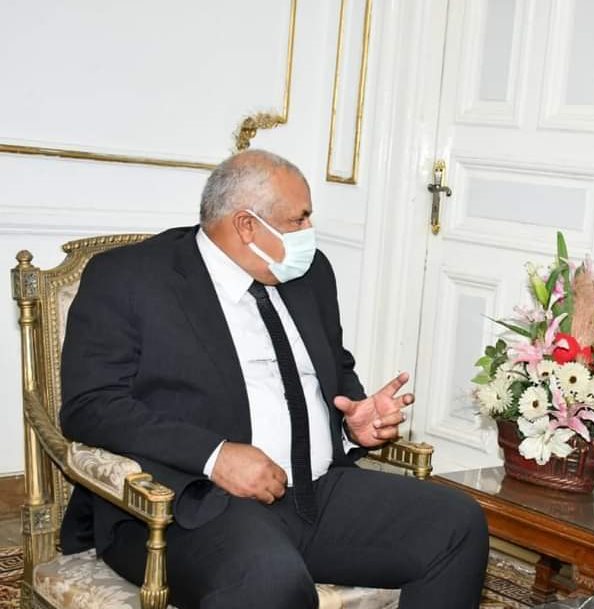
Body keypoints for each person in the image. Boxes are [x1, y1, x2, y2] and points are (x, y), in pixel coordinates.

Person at [59, 149, 489, 609]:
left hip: (316, 491)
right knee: (271, 584)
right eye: (299, 219)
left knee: (457, 524)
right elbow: (90, 406)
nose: (309, 230)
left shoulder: (310, 273)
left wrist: (353, 422)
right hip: (191, 505)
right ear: (247, 225)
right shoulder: (131, 277)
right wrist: (214, 456)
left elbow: (335, 367)